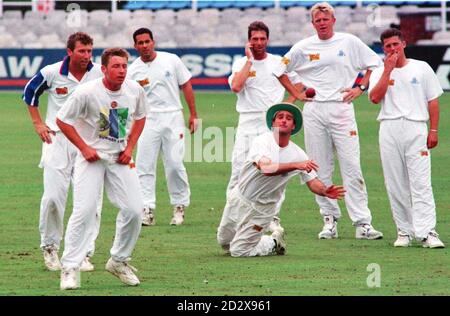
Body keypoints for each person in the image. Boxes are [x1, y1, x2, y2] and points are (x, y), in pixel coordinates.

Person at [273, 2, 383, 240]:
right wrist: (297, 92)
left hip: (342, 109)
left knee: (352, 166)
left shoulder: (349, 42)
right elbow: (278, 68)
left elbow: (375, 63)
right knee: (319, 166)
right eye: (317, 21)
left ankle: (362, 223)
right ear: (313, 24)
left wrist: (360, 87)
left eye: (325, 19)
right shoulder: (303, 47)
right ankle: (329, 220)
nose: (322, 23)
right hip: (314, 110)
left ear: (333, 20)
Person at [56, 48, 147, 290]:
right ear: (104, 69)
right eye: (116, 66)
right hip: (91, 159)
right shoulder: (86, 92)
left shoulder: (134, 89)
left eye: (124, 66)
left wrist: (130, 147)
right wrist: (84, 148)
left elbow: (141, 117)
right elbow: (62, 121)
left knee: (135, 210)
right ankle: (69, 267)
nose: (121, 71)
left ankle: (118, 260)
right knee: (84, 211)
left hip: (119, 157)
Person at [217, 103, 345, 257]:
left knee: (238, 251)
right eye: (280, 117)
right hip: (239, 199)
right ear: (273, 123)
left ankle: (273, 242)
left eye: (289, 118)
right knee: (225, 243)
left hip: (263, 210)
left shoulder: (299, 154)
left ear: (293, 126)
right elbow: (265, 169)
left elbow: (313, 182)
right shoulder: (262, 141)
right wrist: (296, 165)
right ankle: (253, 239)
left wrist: (324, 190)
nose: (284, 120)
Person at [22, 32, 103, 272]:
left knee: (91, 201)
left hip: (89, 142)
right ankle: (49, 247)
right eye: (82, 51)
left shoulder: (99, 72)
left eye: (90, 51)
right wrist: (38, 123)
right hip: (57, 140)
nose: (86, 56)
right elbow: (30, 93)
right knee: (54, 197)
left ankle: (85, 253)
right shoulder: (51, 72)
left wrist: (108, 135)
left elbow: (111, 102)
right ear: (70, 51)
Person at [368, 28, 445, 248]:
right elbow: (374, 98)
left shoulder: (421, 68)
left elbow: (433, 101)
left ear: (403, 43)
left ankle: (428, 232)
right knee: (395, 182)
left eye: (395, 44)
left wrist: (434, 130)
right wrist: (387, 71)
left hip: (416, 127)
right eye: (388, 46)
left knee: (420, 182)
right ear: (383, 48)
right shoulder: (379, 71)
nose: (392, 49)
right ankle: (404, 231)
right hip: (389, 127)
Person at [225, 21, 304, 233]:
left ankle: (272, 218)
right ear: (249, 40)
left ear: (267, 40)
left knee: (275, 174)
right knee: (239, 169)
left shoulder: (278, 62)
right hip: (247, 122)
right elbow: (236, 86)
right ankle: (233, 219)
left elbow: (299, 83)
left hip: (272, 123)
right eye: (255, 39)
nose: (259, 43)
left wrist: (287, 104)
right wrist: (249, 61)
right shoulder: (241, 63)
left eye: (262, 39)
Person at [127, 27, 198, 227]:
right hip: (147, 120)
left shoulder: (171, 60)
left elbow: (186, 85)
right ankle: (147, 209)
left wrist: (193, 114)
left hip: (173, 116)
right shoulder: (133, 70)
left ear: (153, 42)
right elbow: (130, 100)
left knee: (174, 164)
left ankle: (179, 206)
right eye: (140, 43)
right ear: (135, 46)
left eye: (147, 41)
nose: (144, 46)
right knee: (144, 165)